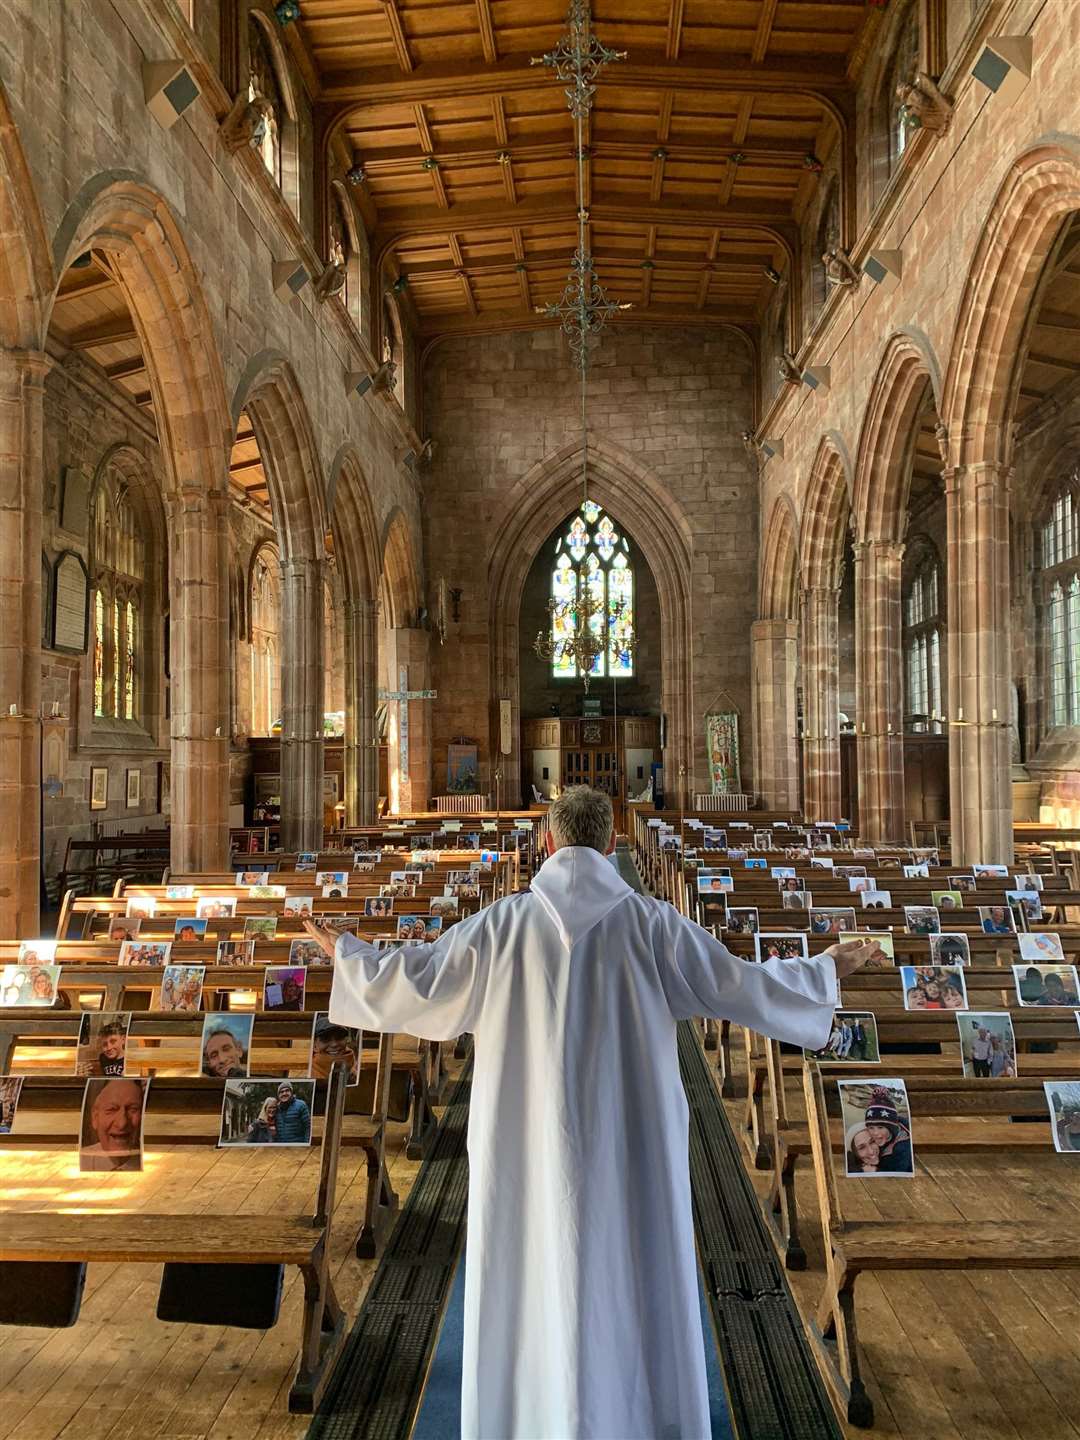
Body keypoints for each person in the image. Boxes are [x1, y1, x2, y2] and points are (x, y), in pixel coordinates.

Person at [308, 785, 875, 1440]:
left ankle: (528, 1417)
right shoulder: (652, 924)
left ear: (547, 843)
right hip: (629, 1147)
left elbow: (420, 978)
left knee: (529, 1266)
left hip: (526, 1146)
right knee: (630, 1266)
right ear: (611, 845)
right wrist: (826, 970)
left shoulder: (502, 926)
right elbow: (741, 985)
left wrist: (348, 957)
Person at [80, 1078, 144, 1172]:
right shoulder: (79, 1161)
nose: (122, 1123)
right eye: (111, 1109)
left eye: (133, 1109)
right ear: (95, 1117)